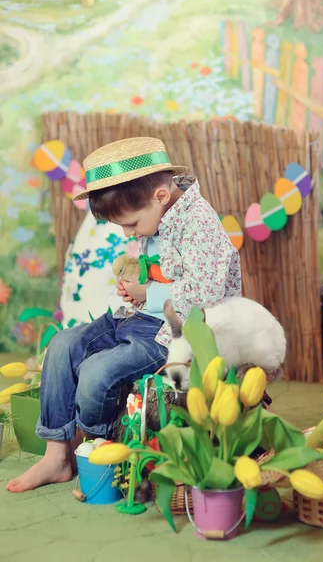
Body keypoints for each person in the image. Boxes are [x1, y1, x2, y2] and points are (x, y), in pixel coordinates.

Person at [7, 136, 241, 493]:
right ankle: (56, 454)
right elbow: (163, 269)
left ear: (160, 195)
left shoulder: (200, 224)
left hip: (174, 333)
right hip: (138, 318)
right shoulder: (161, 212)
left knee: (97, 371)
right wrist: (136, 284)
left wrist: (151, 293)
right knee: (62, 344)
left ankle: (96, 449)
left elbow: (206, 292)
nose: (128, 233)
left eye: (130, 225)